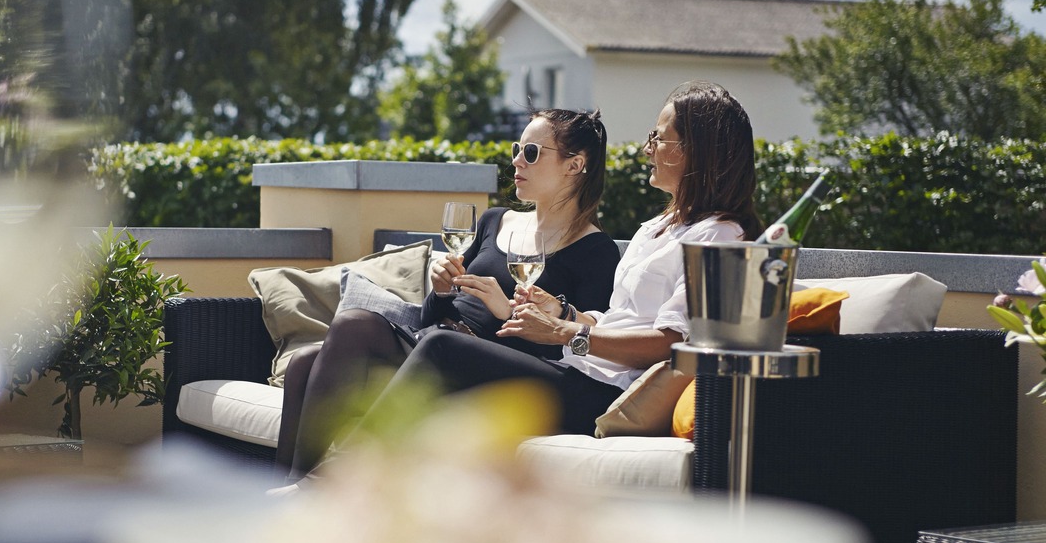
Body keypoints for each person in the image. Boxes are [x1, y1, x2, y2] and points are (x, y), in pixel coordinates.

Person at [294, 81, 761, 477]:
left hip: (602, 393)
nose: (648, 150)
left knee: (442, 347)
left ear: (697, 150)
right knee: (313, 362)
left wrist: (565, 333)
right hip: (574, 370)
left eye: (660, 139)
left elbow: (672, 342)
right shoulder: (656, 228)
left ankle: (344, 485)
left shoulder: (721, 236)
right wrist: (561, 313)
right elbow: (614, 318)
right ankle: (302, 485)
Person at [277, 108, 621, 479]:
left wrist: (506, 312)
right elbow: (432, 319)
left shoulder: (594, 250)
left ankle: (334, 484)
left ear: (574, 165)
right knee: (304, 362)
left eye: (532, 153)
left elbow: (579, 353)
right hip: (435, 344)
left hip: (488, 369)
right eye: (517, 148)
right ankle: (288, 488)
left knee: (357, 325)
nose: (517, 161)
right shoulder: (495, 220)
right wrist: (440, 291)